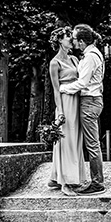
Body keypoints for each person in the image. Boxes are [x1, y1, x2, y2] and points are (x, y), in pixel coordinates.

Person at [60, 24, 106, 196]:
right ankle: (93, 180)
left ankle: (97, 183)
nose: (72, 41)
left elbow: (82, 83)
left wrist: (63, 89)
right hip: (91, 101)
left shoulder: (90, 57)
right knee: (90, 143)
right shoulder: (91, 54)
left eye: (74, 39)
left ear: (81, 41)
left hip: (89, 101)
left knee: (92, 144)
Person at [48, 26, 88, 196]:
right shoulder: (54, 63)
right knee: (65, 140)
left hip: (77, 99)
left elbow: (81, 79)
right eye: (67, 37)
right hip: (65, 102)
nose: (71, 40)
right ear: (59, 41)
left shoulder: (74, 59)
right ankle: (65, 182)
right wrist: (60, 112)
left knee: (76, 140)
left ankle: (68, 177)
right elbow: (56, 90)